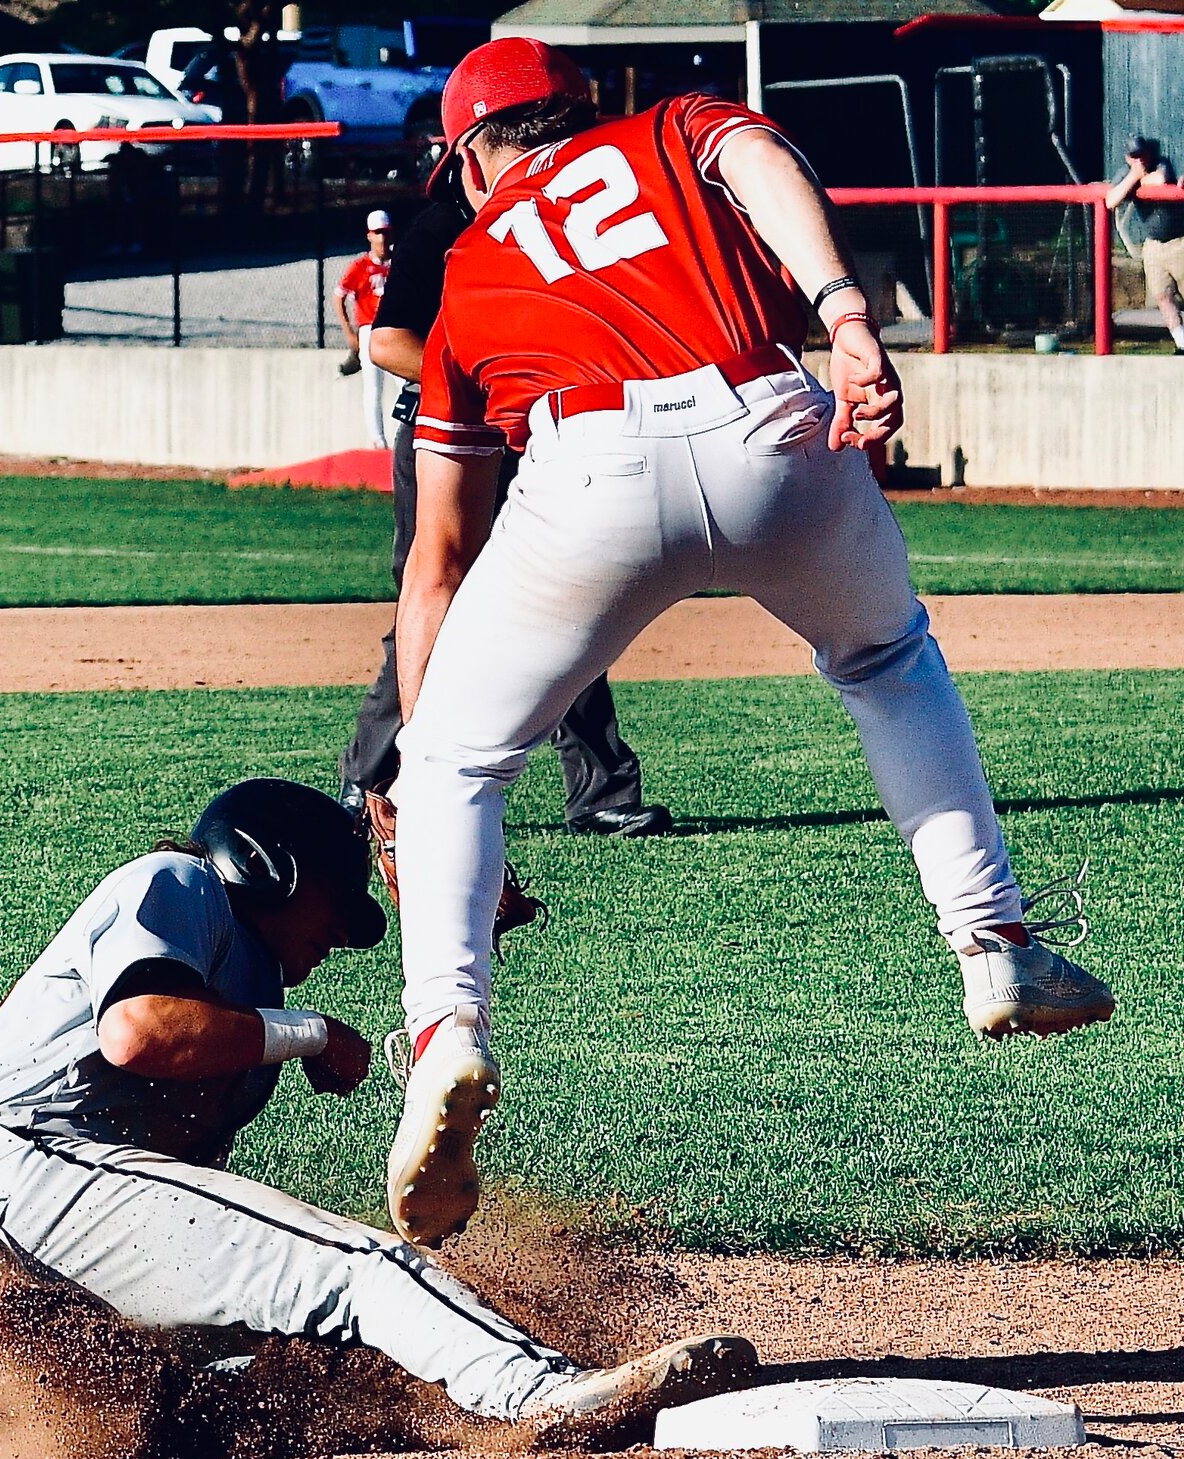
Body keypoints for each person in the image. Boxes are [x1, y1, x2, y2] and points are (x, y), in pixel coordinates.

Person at [380, 38, 1117, 1251]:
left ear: (471, 157)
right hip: (767, 417)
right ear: (577, 112)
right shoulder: (666, 127)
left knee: (459, 762)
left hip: (588, 461)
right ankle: (996, 943)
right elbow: (762, 155)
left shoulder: (467, 266)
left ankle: (448, 1036)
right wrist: (847, 315)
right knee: (886, 661)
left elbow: (437, 561)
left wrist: (421, 785)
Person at [0, 778, 755, 1446]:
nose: (338, 933)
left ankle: (10, 1395)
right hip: (34, 1166)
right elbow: (138, 1031)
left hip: (21, 1244)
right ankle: (542, 1392)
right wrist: (311, 1033)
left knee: (275, 1373)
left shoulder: (237, 993)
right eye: (335, 901)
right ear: (268, 867)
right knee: (359, 1266)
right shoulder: (177, 884)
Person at [338, 194, 672, 838]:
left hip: (539, 432)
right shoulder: (441, 223)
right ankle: (370, 786)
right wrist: (490, 385)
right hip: (447, 433)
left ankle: (602, 793)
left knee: (568, 597)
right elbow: (387, 342)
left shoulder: (557, 213)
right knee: (432, 598)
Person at [1106, 134, 1184, 355]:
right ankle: (1181, 343)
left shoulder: (1161, 161)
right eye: (1134, 156)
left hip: (1179, 240)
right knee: (1162, 296)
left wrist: (1132, 183)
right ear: (1127, 157)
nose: (1140, 160)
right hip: (1154, 245)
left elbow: (1160, 180)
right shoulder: (1126, 171)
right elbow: (1111, 200)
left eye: (1142, 155)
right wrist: (1133, 177)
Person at [335, 210, 395, 448]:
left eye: (386, 233)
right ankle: (378, 440)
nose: (382, 239)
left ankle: (406, 436)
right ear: (369, 235)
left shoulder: (398, 262)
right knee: (373, 386)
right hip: (369, 329)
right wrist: (349, 332)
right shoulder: (360, 266)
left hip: (393, 328)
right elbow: (338, 296)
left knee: (405, 384)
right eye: (378, 233)